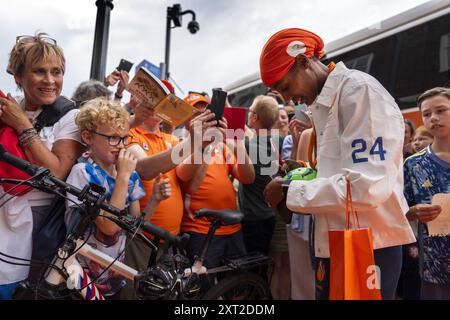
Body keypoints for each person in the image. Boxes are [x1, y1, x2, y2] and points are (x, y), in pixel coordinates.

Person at [261, 28, 415, 300]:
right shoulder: (328, 102)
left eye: (285, 87)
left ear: (303, 62)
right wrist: (306, 174)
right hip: (337, 241)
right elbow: (344, 172)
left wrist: (289, 191)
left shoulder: (358, 91)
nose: (287, 100)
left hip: (367, 244)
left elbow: (367, 186)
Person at [0, 33, 84, 298]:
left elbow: (57, 173)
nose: (50, 81)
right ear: (18, 76)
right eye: (39, 72)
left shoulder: (71, 116)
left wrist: (22, 125)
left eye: (56, 72)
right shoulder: (11, 108)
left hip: (41, 228)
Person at [65, 98, 170, 299]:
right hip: (77, 274)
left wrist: (155, 199)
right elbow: (108, 227)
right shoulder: (83, 173)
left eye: (124, 138)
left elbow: (135, 227)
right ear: (88, 137)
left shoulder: (129, 174)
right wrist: (122, 177)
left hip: (114, 275)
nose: (121, 146)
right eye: (113, 138)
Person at [177, 116, 255, 288]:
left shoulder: (222, 147)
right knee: (201, 288)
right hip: (201, 230)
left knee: (238, 286)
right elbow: (189, 183)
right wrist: (205, 146)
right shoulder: (183, 147)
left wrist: (237, 146)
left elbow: (248, 177)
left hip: (232, 227)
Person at [403, 87, 449, 300]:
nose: (434, 118)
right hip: (434, 267)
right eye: (427, 114)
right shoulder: (414, 164)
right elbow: (399, 211)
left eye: (441, 110)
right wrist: (414, 212)